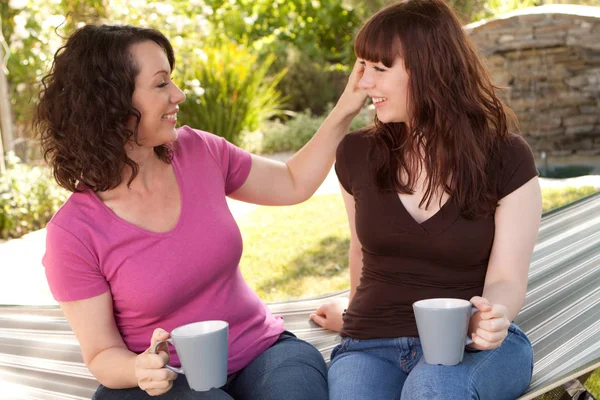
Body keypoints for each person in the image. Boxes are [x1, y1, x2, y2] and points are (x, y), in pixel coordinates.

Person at [35, 24, 367, 399]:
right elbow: (100, 353)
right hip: (165, 381)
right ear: (109, 102)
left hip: (263, 352)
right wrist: (139, 369)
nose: (178, 94)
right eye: (161, 84)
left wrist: (348, 105)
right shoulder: (75, 233)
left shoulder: (200, 152)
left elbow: (292, 182)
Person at [309, 0, 542, 399]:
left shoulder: (505, 158)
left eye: (379, 69)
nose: (364, 83)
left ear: (430, 69)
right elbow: (362, 254)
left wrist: (492, 317)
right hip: (370, 344)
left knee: (431, 388)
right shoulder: (355, 154)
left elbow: (505, 278)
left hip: (467, 346)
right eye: (362, 67)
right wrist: (349, 312)